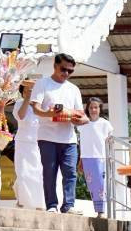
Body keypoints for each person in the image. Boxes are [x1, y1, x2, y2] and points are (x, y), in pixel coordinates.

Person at [29, 53, 87, 214]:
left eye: (70, 71)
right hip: (47, 136)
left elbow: (80, 113)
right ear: (54, 66)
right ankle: (51, 205)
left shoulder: (73, 89)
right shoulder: (42, 84)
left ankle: (69, 205)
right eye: (63, 69)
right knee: (50, 172)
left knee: (70, 173)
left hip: (69, 137)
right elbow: (36, 108)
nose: (66, 74)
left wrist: (78, 119)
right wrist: (51, 114)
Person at [76, 97, 113, 215]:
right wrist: (80, 160)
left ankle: (101, 211)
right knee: (91, 186)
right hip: (86, 158)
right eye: (91, 107)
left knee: (101, 185)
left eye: (96, 107)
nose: (93, 110)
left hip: (100, 158)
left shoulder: (105, 124)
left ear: (100, 108)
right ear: (87, 108)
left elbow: (110, 141)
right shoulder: (83, 123)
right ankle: (98, 211)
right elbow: (82, 142)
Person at [12, 79, 44, 209]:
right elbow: (21, 116)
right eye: (26, 91)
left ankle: (39, 203)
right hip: (24, 143)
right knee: (24, 173)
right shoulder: (19, 103)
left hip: (39, 143)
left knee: (39, 174)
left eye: (31, 90)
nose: (29, 92)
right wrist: (28, 98)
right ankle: (23, 201)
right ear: (22, 93)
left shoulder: (41, 105)